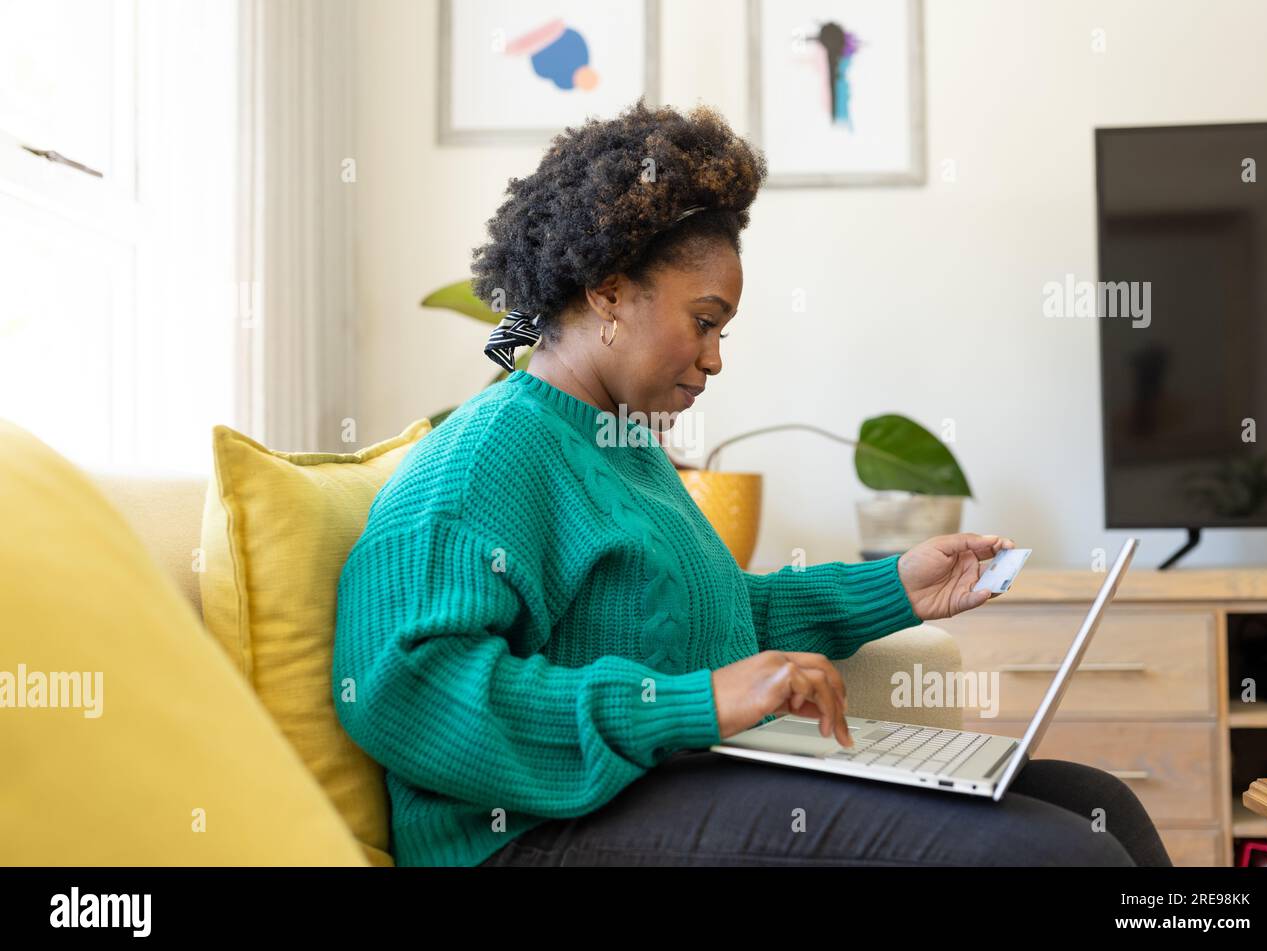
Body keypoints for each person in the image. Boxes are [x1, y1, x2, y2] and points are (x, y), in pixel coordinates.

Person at [332, 98, 1172, 867]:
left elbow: (714, 616)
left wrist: (894, 588)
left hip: (652, 786)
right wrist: (686, 703)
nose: (715, 358)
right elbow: (401, 690)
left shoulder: (623, 445)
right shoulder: (488, 454)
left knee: (1099, 806)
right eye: (704, 322)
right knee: (1059, 856)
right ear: (610, 290)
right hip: (525, 836)